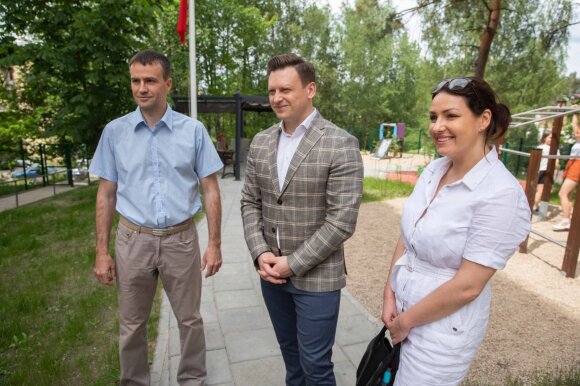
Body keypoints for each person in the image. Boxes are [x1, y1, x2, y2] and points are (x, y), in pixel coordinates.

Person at [381, 77, 531, 385]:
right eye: (433, 117)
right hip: (402, 312)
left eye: (451, 116)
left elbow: (468, 285)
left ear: (483, 119)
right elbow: (408, 236)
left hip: (440, 332)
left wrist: (406, 322)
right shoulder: (436, 169)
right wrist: (389, 293)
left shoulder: (500, 193)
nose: (437, 126)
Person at [89, 50, 223, 386]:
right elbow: (105, 194)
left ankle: (192, 379)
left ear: (167, 83)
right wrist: (101, 251)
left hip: (181, 238)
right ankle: (134, 381)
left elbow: (210, 189)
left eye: (150, 80)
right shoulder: (114, 133)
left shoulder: (193, 131)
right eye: (136, 80)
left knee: (189, 319)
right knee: (132, 323)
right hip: (133, 240)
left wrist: (214, 245)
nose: (142, 88)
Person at [240, 53, 364, 385]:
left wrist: (293, 263)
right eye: (271, 91)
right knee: (291, 361)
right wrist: (260, 253)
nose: (277, 98)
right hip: (272, 278)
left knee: (315, 366)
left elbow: (341, 221)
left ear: (310, 90)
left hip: (318, 279)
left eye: (285, 90)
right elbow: (250, 202)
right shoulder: (261, 142)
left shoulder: (340, 144)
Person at [553, 109, 580, 231]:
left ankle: (565, 221)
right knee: (568, 194)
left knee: (562, 193)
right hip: (573, 165)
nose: (577, 133)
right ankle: (568, 217)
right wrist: (575, 112)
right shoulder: (578, 141)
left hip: (577, 166)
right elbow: (575, 126)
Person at [533, 131, 559, 212]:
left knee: (537, 190)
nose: (552, 140)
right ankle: (534, 206)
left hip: (539, 170)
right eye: (550, 138)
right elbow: (557, 164)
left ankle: (535, 205)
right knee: (540, 190)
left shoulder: (539, 147)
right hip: (544, 171)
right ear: (545, 138)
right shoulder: (553, 149)